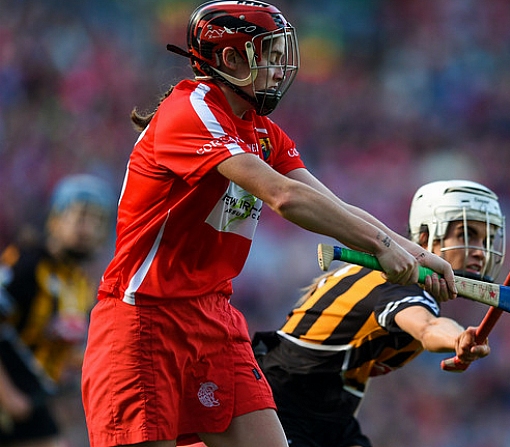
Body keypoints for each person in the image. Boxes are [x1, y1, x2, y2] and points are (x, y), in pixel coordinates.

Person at [79, 2, 457, 447]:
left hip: (213, 316)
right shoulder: (190, 112)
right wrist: (380, 247)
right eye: (268, 55)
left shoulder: (260, 130)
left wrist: (416, 253)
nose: (280, 69)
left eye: (280, 56)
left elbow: (331, 204)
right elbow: (286, 197)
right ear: (229, 59)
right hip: (144, 317)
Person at [254, 179, 502, 447]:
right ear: (424, 237)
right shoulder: (399, 283)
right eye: (466, 234)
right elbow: (427, 326)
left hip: (331, 419)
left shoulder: (410, 284)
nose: (480, 251)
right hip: (280, 404)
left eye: (487, 239)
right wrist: (457, 340)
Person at [0, 174, 115, 447]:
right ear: (55, 219)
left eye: (98, 222)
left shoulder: (80, 284)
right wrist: (6, 395)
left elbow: (64, 348)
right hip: (10, 397)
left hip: (30, 399)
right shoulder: (27, 265)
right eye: (81, 217)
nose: (88, 229)